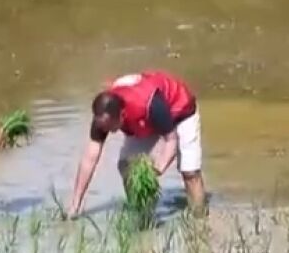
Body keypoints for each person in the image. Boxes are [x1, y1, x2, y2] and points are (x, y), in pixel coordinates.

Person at [66, 71, 206, 218]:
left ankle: (200, 219)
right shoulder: (103, 116)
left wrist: (156, 170)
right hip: (145, 120)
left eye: (110, 127)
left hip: (180, 110)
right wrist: (75, 205)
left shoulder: (151, 105)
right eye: (103, 127)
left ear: (122, 115)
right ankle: (142, 215)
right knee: (126, 165)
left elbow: (171, 140)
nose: (108, 132)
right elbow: (89, 158)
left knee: (190, 172)